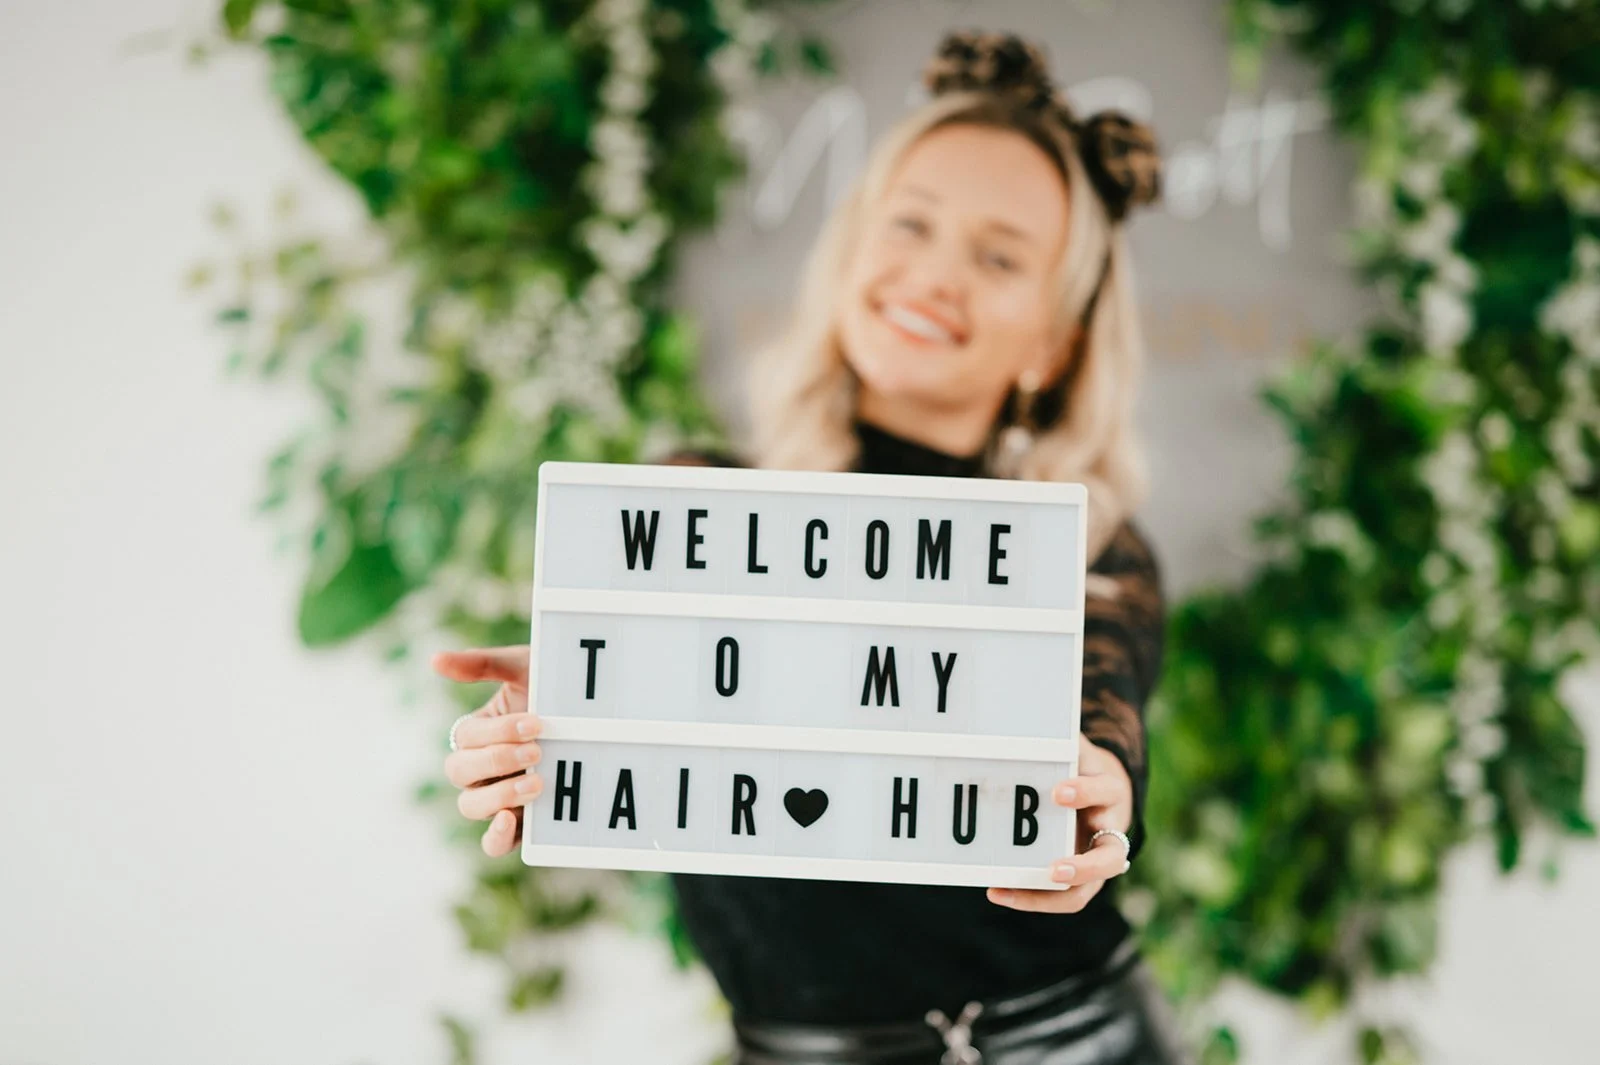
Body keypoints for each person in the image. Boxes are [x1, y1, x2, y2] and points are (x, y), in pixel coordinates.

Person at [432, 29, 1193, 1065]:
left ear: (1055, 341)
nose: (934, 273)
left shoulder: (1085, 543)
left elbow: (1101, 695)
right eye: (910, 223)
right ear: (851, 248)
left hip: (1061, 1046)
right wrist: (573, 702)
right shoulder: (691, 503)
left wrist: (1098, 783)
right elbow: (622, 746)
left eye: (1000, 254)